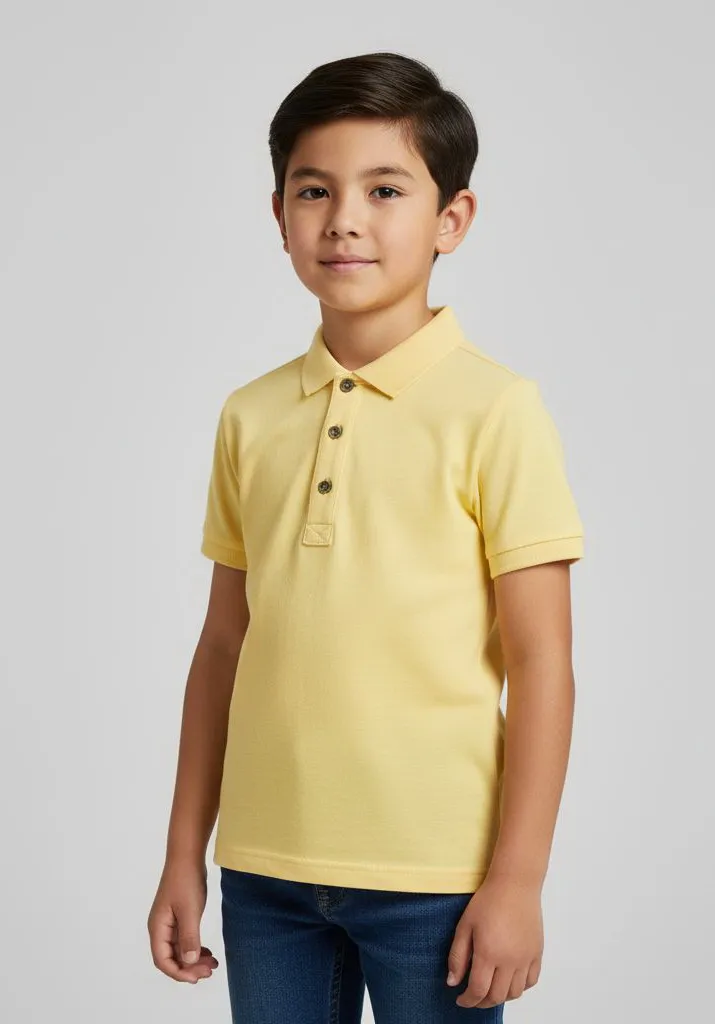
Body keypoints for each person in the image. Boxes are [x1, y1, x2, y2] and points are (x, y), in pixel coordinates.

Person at [147, 50, 585, 1022]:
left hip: (438, 878)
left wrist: (518, 880)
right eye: (315, 190)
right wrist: (184, 853)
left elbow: (543, 661)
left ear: (451, 220)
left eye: (385, 190)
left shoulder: (497, 410)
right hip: (264, 873)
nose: (344, 218)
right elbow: (223, 646)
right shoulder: (250, 416)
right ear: (280, 217)